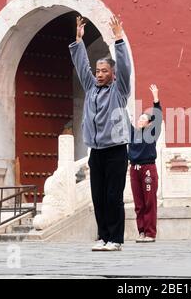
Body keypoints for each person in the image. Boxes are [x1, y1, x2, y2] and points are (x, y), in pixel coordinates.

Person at [69, 15, 131, 252]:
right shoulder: (91, 87)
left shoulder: (120, 90)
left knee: (113, 196)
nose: (99, 74)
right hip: (96, 151)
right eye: (98, 70)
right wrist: (79, 41)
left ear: (112, 74)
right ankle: (103, 237)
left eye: (104, 71)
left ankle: (115, 239)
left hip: (116, 150)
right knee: (98, 196)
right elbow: (81, 65)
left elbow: (125, 68)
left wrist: (119, 40)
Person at [129, 84, 162, 243]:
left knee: (149, 201)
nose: (140, 119)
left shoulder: (151, 133)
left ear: (149, 123)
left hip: (148, 168)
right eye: (139, 118)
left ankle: (150, 233)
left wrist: (156, 99)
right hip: (134, 169)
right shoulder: (132, 134)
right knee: (139, 203)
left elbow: (158, 117)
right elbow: (122, 118)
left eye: (144, 118)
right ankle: (141, 231)